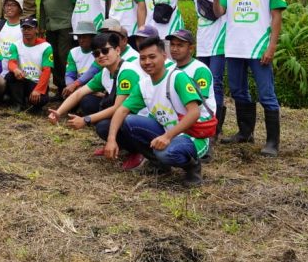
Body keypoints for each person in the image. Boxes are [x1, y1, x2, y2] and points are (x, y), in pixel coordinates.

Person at [102, 36, 215, 186]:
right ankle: (159, 165)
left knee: (166, 152)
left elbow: (194, 113)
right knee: (129, 121)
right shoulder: (144, 85)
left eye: (152, 57)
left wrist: (167, 136)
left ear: (164, 56)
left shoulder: (177, 78)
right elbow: (122, 110)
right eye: (142, 58)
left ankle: (192, 166)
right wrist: (111, 139)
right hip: (167, 131)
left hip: (192, 135)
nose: (147, 62)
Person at [215, 0, 287, 157]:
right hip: (235, 47)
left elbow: (276, 17)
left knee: (266, 94)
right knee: (238, 90)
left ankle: (272, 142)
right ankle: (245, 132)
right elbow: (219, 12)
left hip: (259, 48)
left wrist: (271, 46)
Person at [49, 30, 145, 162]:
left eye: (105, 51)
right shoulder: (105, 72)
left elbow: (118, 107)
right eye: (96, 53)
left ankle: (138, 152)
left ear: (117, 50)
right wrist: (58, 112)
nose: (101, 55)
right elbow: (79, 93)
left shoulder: (127, 71)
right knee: (88, 101)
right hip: (125, 113)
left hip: (141, 118)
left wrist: (86, 120)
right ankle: (119, 145)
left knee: (103, 125)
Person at [188, 0, 227, 136]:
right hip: (202, 42)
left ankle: (216, 127)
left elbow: (220, 12)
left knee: (216, 83)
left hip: (218, 41)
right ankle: (202, 121)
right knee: (199, 83)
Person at [167, 30, 215, 149]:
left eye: (180, 45)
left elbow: (200, 102)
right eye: (172, 44)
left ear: (191, 48)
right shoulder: (170, 68)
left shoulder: (199, 70)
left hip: (199, 118)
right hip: (179, 114)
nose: (174, 49)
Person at [35, 0, 73, 90]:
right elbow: (43, 5)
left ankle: (69, 89)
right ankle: (58, 87)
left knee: (64, 58)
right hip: (50, 26)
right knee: (54, 58)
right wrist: (41, 26)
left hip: (65, 24)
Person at [5, 17, 54, 113]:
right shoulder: (15, 45)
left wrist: (38, 90)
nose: (26, 31)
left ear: (36, 29)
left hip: (36, 82)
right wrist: (15, 69)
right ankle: (18, 104)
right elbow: (11, 62)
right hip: (22, 79)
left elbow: (47, 70)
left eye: (30, 28)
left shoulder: (46, 47)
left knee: (42, 100)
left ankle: (31, 104)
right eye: (24, 28)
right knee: (10, 76)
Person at [0, 0, 26, 100]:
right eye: (7, 5)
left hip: (17, 70)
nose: (9, 8)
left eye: (13, 5)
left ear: (20, 8)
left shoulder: (25, 26)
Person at [63, 21, 101, 102]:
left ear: (92, 37)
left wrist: (75, 85)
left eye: (84, 37)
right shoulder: (73, 52)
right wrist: (70, 86)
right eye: (79, 37)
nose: (81, 40)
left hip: (95, 87)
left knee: (87, 102)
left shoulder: (100, 51)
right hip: (77, 86)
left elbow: (93, 71)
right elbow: (69, 74)